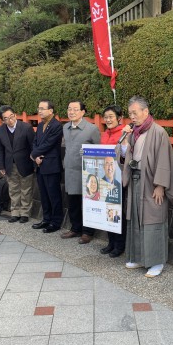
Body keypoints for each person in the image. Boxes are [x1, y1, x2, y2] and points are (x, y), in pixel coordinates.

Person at [119, 96, 173, 278]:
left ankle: (156, 261)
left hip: (151, 182)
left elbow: (164, 161)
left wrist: (160, 185)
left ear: (146, 111)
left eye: (135, 113)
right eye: (130, 114)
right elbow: (126, 156)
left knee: (153, 220)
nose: (132, 117)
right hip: (136, 179)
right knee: (135, 218)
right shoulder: (133, 133)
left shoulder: (158, 132)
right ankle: (138, 257)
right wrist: (125, 140)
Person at [60, 100, 101, 244]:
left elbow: (99, 149)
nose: (71, 112)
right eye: (69, 109)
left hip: (86, 173)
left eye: (75, 109)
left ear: (83, 112)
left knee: (88, 202)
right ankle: (75, 228)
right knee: (73, 202)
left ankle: (88, 232)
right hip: (70, 170)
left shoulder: (91, 129)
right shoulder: (65, 127)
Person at [0, 105, 35, 223]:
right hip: (9, 164)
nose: (10, 120)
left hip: (25, 163)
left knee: (26, 189)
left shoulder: (26, 127)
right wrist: (1, 166)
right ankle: (15, 212)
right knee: (13, 189)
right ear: (2, 120)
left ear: (15, 115)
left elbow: (33, 146)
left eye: (11, 116)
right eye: (6, 118)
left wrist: (34, 165)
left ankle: (25, 213)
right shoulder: (1, 130)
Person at [30, 100, 64, 233]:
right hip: (40, 164)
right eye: (39, 108)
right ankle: (46, 219)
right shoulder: (39, 126)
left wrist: (33, 154)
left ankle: (56, 222)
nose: (39, 111)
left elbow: (49, 144)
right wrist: (36, 156)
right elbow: (36, 142)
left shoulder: (57, 126)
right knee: (43, 194)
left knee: (53, 195)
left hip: (51, 165)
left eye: (42, 109)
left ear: (51, 111)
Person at [99, 105, 127, 258]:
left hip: (118, 179)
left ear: (119, 118)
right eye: (106, 117)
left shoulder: (124, 134)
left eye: (111, 116)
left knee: (117, 212)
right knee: (107, 210)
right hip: (105, 178)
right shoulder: (104, 134)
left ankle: (119, 244)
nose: (108, 119)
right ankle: (110, 242)